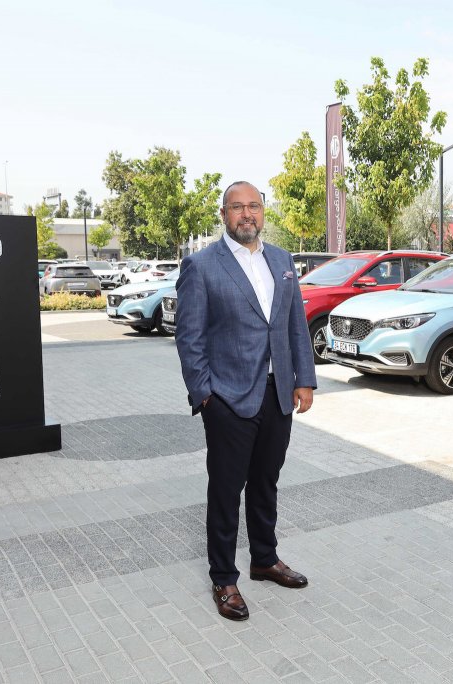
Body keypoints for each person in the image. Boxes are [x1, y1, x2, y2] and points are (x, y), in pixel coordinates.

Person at [175, 180, 317, 622]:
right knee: (225, 489)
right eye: (237, 207)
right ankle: (224, 577)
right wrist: (205, 396)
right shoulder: (201, 266)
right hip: (228, 398)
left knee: (266, 481)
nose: (246, 214)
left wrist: (304, 379)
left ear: (263, 211)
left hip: (278, 393)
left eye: (253, 206)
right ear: (224, 215)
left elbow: (295, 325)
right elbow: (189, 338)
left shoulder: (282, 260)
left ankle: (264, 559)